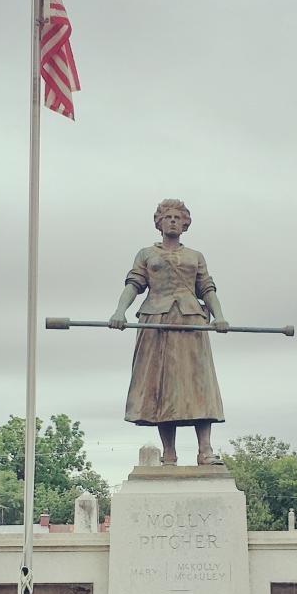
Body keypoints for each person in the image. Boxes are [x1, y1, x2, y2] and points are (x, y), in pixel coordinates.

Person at [109, 199, 229, 465]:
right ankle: (169, 453)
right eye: (168, 217)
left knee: (199, 385)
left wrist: (219, 316)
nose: (173, 220)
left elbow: (207, 289)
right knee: (161, 387)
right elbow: (134, 285)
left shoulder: (195, 256)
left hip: (190, 322)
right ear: (159, 222)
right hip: (157, 321)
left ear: (185, 224)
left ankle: (205, 450)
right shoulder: (145, 254)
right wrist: (120, 311)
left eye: (178, 217)